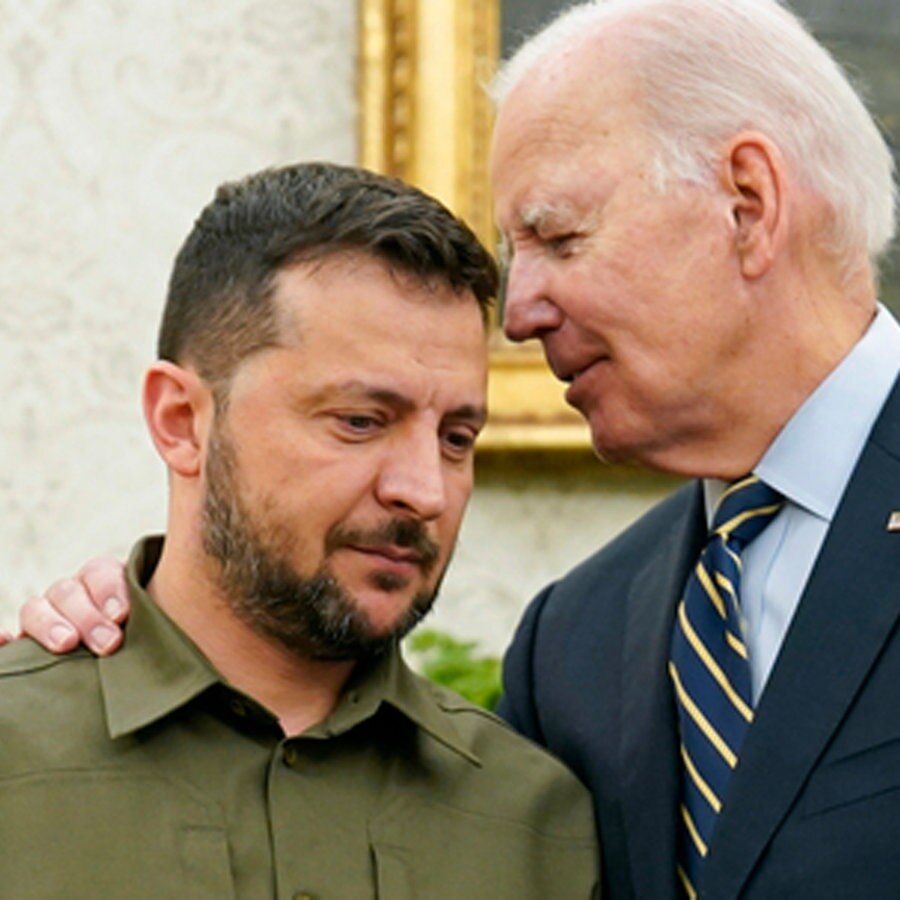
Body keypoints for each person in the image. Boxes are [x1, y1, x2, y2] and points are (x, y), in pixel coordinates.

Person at [9, 0, 900, 896]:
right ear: (180, 420)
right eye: (360, 419)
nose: (518, 314)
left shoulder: (530, 744)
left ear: (747, 204)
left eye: (557, 236)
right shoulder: (577, 646)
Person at [0, 161, 599, 898]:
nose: (424, 492)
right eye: (360, 421)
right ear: (181, 421)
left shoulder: (537, 823)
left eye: (455, 438)